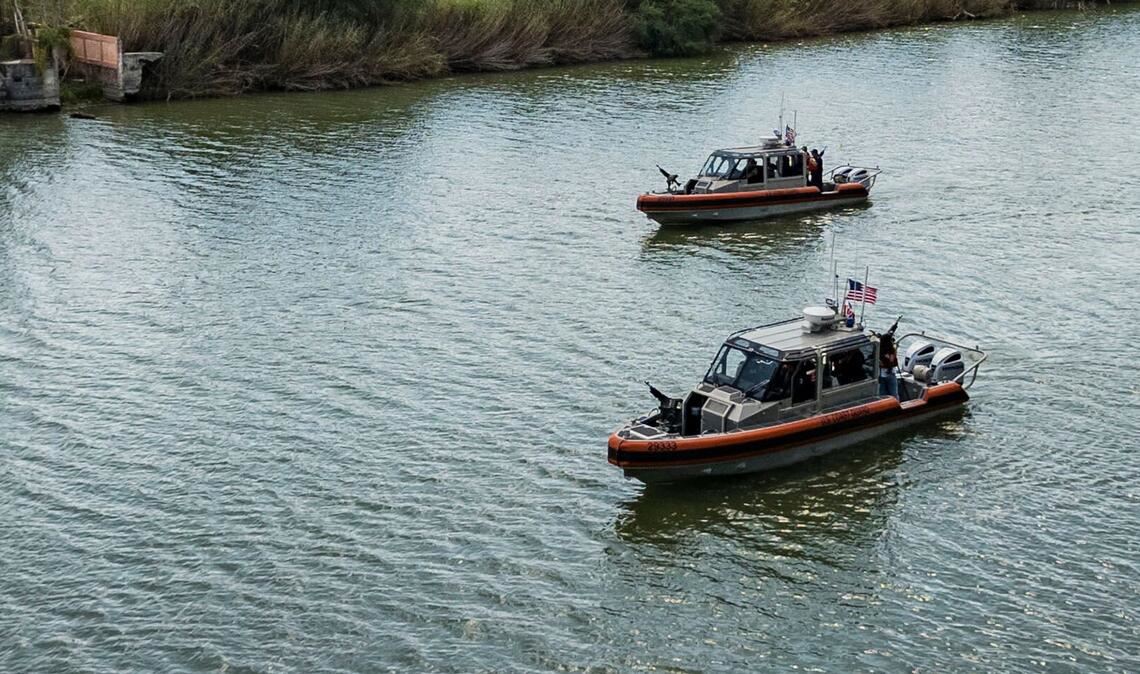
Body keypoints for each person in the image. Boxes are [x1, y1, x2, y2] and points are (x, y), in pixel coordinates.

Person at [878, 322, 900, 398]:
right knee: (894, 394)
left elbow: (888, 335)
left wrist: (894, 327)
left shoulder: (879, 350)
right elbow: (891, 361)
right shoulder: (891, 350)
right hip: (890, 374)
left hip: (882, 375)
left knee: (882, 394)